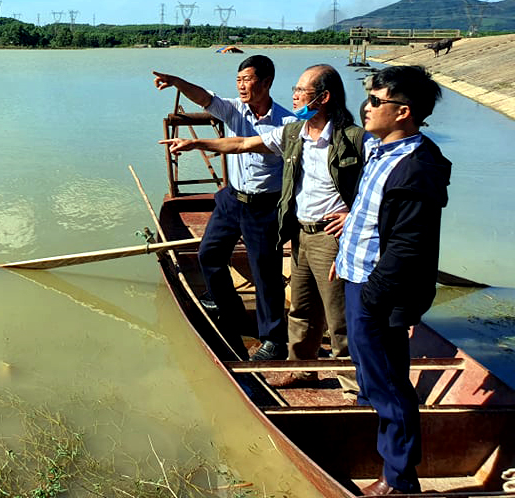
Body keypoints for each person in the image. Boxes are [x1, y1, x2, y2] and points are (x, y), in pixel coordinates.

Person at [161, 64, 368, 400]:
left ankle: (349, 387)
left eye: (302, 90)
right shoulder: (288, 130)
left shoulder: (334, 134)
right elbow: (239, 141)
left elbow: (379, 182)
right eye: (238, 79)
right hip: (259, 211)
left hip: (287, 217)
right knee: (219, 260)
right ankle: (289, 359)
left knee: (308, 299)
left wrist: (355, 213)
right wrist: (194, 139)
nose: (296, 94)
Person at [331, 65, 451, 495]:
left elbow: (406, 248)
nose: (366, 107)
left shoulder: (416, 169)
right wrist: (345, 258)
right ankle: (383, 449)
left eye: (376, 101)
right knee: (374, 376)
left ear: (403, 112)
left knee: (388, 385)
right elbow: (369, 217)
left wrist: (372, 296)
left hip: (375, 291)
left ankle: (399, 480)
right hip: (357, 276)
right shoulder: (380, 151)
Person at [153, 55, 295, 361]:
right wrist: (177, 81)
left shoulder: (287, 123)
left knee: (265, 273)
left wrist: (195, 144)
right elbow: (204, 97)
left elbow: (242, 145)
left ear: (267, 82)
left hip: (264, 206)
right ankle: (225, 304)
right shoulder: (233, 109)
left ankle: (272, 339)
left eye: (248, 80)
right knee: (209, 254)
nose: (242, 86)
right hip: (232, 200)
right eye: (238, 80)